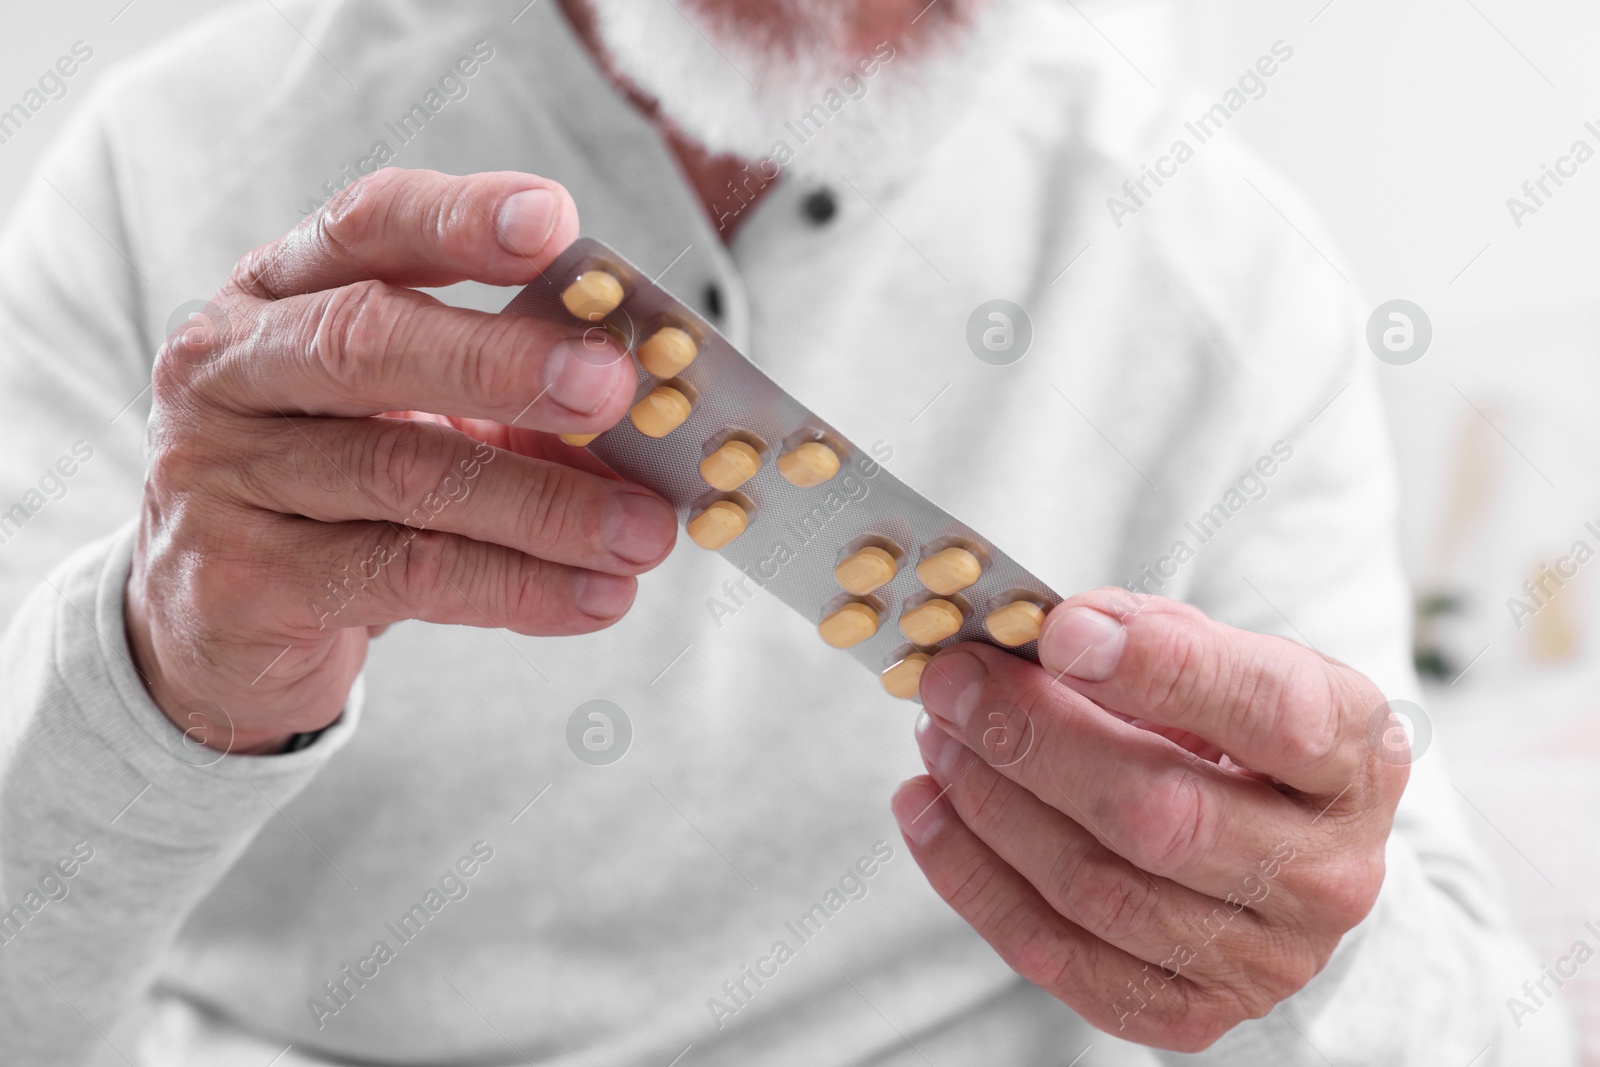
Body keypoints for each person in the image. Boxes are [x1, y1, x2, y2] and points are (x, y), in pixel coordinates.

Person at [0, 0, 1575, 1063]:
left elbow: (1492, 1027)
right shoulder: (166, 172)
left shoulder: (1224, 271)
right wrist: (159, 686)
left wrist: (1309, 958)